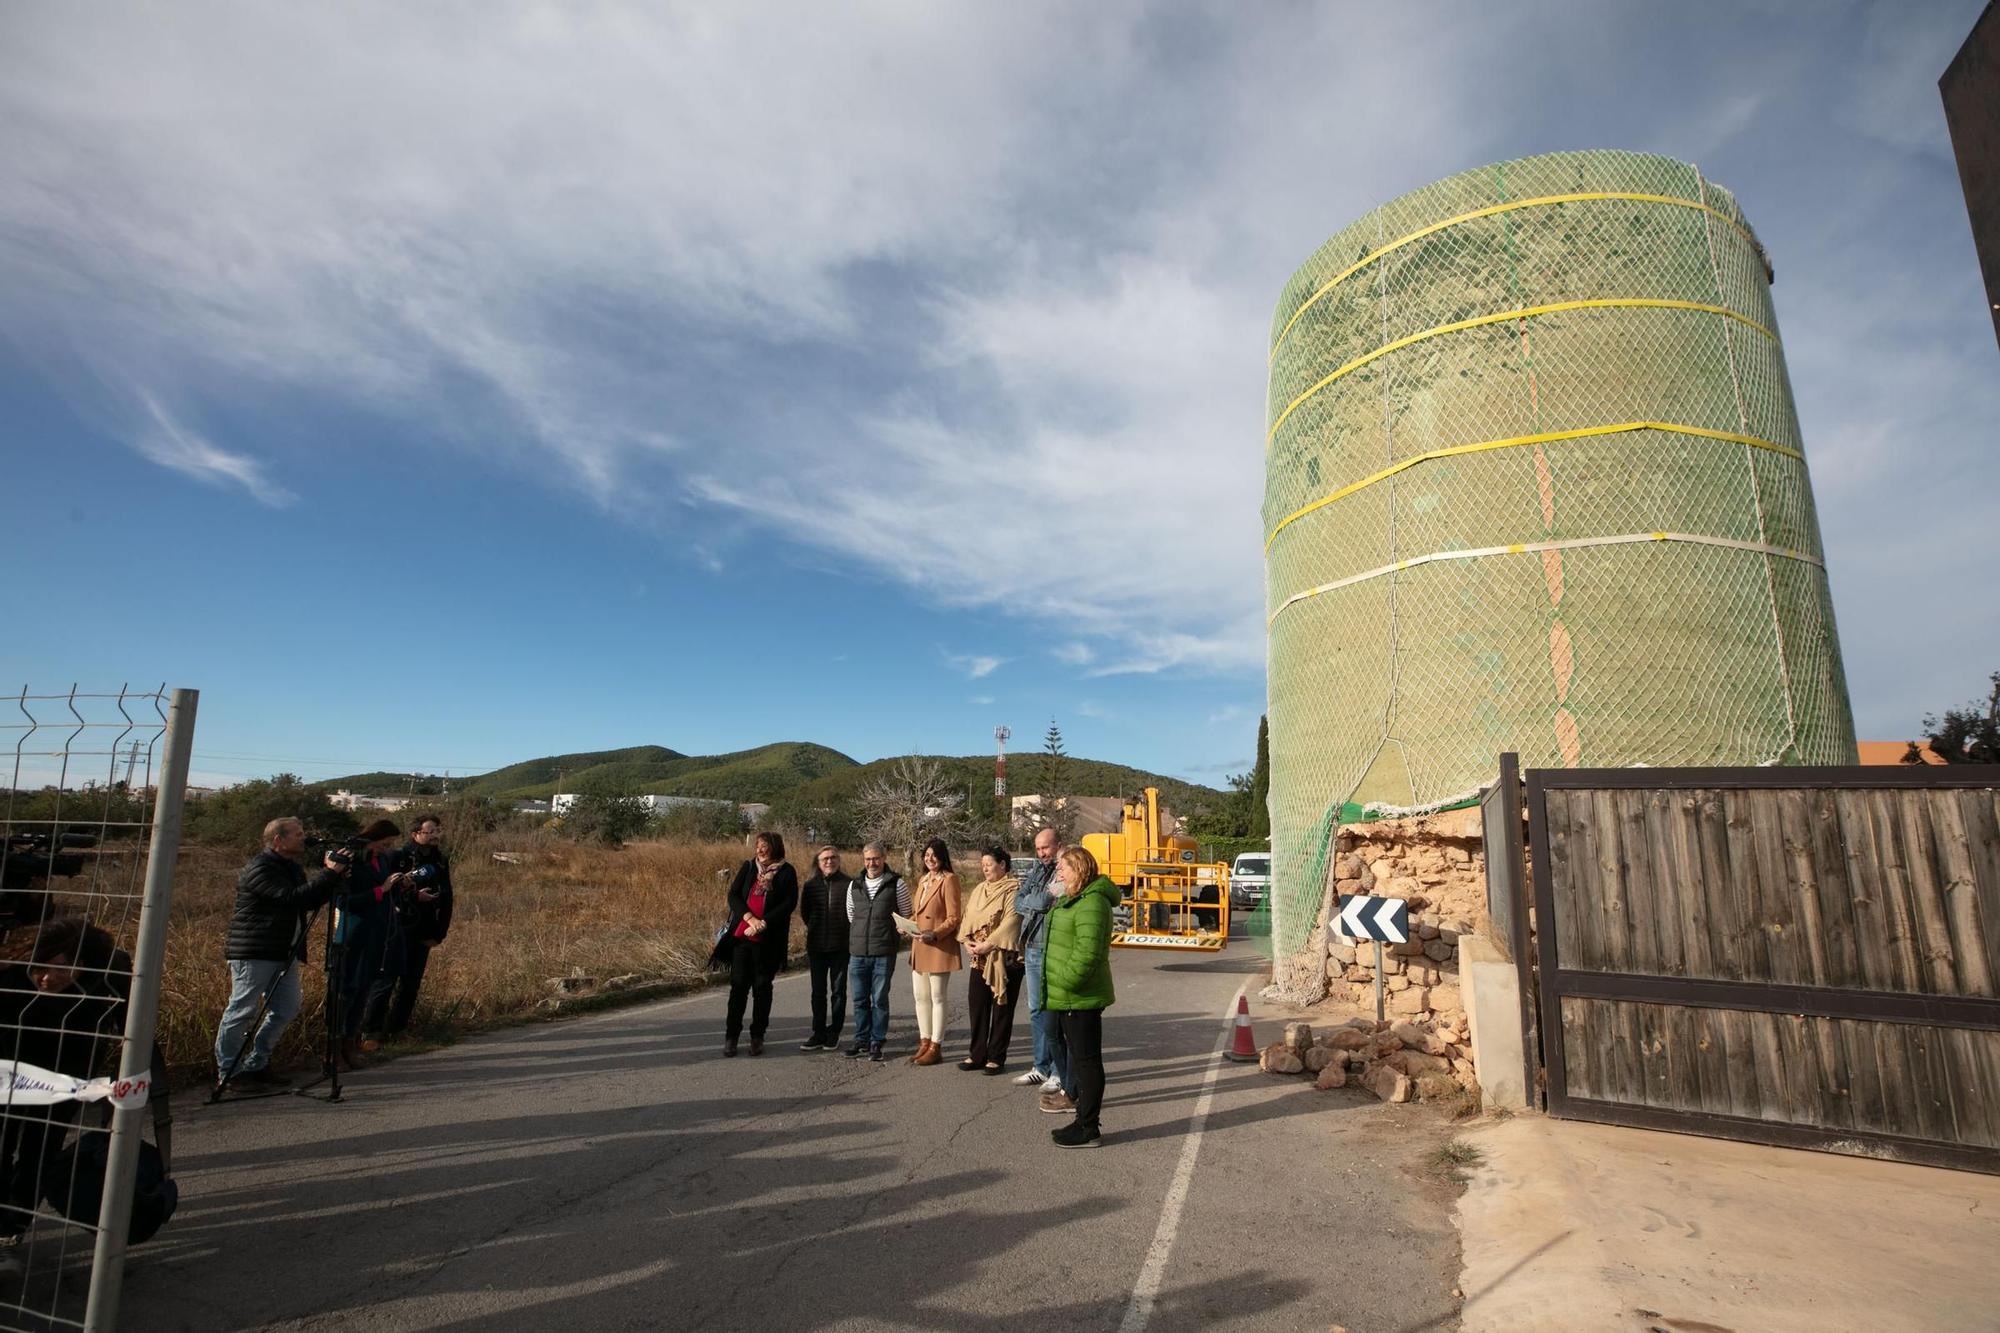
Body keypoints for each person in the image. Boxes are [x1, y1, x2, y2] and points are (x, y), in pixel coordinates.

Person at [0, 918, 125, 1237]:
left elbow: (130, 1027)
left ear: (84, 965)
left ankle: (14, 1223)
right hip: (8, 1075)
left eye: (60, 969)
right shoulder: (11, 978)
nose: (45, 977)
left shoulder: (105, 983)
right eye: (39, 968)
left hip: (64, 1079)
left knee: (39, 1150)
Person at [214, 817, 346, 1088]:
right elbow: (290, 898)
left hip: (284, 951)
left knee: (286, 1008)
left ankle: (257, 1064)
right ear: (278, 840)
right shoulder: (260, 868)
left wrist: (335, 877)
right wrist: (328, 874)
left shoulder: (290, 867)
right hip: (255, 950)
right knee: (241, 1010)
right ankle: (229, 1072)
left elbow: (309, 900)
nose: (303, 837)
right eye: (297, 834)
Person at [1043, 846, 1116, 1148]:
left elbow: (1087, 954)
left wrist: (1064, 981)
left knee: (1087, 1063)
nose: (1058, 871)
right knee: (1083, 1061)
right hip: (1068, 996)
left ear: (1080, 869)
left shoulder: (1093, 903)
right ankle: (1083, 1121)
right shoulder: (1073, 899)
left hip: (1079, 996)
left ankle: (1089, 1128)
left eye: (1064, 867)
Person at [363, 813, 454, 1046]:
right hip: (396, 929)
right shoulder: (397, 857)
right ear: (415, 834)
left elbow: (447, 898)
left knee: (411, 984)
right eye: (430, 831)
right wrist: (413, 895)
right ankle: (371, 1032)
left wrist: (439, 933)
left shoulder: (440, 861)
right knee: (385, 981)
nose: (435, 835)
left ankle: (398, 1030)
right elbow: (385, 890)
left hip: (424, 931)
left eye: (437, 830)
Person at [712, 832, 798, 1057]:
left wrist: (763, 924)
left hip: (769, 941)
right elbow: (733, 895)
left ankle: (757, 1036)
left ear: (775, 848)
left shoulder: (787, 871)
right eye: (758, 846)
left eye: (765, 846)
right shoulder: (749, 867)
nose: (760, 850)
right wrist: (749, 918)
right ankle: (731, 1036)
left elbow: (789, 903)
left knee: (762, 989)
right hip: (742, 939)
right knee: (738, 988)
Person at [336, 819, 408, 1070]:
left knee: (363, 991)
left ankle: (350, 1044)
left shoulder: (384, 860)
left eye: (389, 845)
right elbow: (344, 901)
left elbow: (387, 890)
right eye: (384, 844)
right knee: (347, 991)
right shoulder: (352, 861)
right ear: (371, 838)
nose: (386, 849)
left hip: (379, 935)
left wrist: (399, 887)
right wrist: (382, 890)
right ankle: (334, 1048)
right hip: (354, 934)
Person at [1014, 827, 1072, 1109]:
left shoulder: (1064, 870)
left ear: (1057, 845)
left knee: (1055, 1014)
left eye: (1045, 848)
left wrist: (1033, 902)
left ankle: (1060, 1073)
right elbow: (1019, 900)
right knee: (1036, 1009)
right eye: (1037, 849)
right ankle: (1041, 1065)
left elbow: (1047, 900)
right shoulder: (1036, 870)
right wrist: (1033, 902)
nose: (1041, 853)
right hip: (1031, 947)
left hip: (1050, 948)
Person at [958, 845, 1023, 1074]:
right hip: (979, 959)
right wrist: (967, 941)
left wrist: (988, 944)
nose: (985, 868)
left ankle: (996, 1056)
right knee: (977, 1006)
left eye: (989, 864)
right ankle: (976, 1054)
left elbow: (1012, 921)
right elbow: (967, 918)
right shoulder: (978, 890)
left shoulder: (1014, 889)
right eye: (982, 865)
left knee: (1001, 1007)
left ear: (1002, 864)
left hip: (1004, 959)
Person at [845, 842, 909, 1062]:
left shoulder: (896, 884)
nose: (872, 863)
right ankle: (861, 1039)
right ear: (863, 860)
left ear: (884, 858)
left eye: (876, 858)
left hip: (883, 951)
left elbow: (905, 914)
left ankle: (877, 1041)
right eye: (868, 859)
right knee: (859, 999)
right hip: (857, 953)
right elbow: (851, 915)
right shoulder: (854, 885)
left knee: (879, 999)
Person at [904, 839, 962, 1067]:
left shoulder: (949, 880)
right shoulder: (923, 880)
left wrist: (935, 934)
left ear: (942, 857)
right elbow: (918, 914)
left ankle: (936, 1045)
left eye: (934, 855)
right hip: (919, 945)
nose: (929, 859)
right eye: (926, 855)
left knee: (937, 997)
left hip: (938, 945)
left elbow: (954, 918)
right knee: (921, 998)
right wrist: (906, 923)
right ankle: (924, 1041)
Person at [797, 846, 852, 1051]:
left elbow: (852, 914)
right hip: (817, 947)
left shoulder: (849, 884)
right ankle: (818, 1032)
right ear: (818, 862)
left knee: (839, 991)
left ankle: (834, 1032)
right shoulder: (810, 886)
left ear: (839, 860)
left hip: (841, 947)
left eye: (833, 858)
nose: (830, 861)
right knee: (817, 992)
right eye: (825, 859)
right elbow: (805, 914)